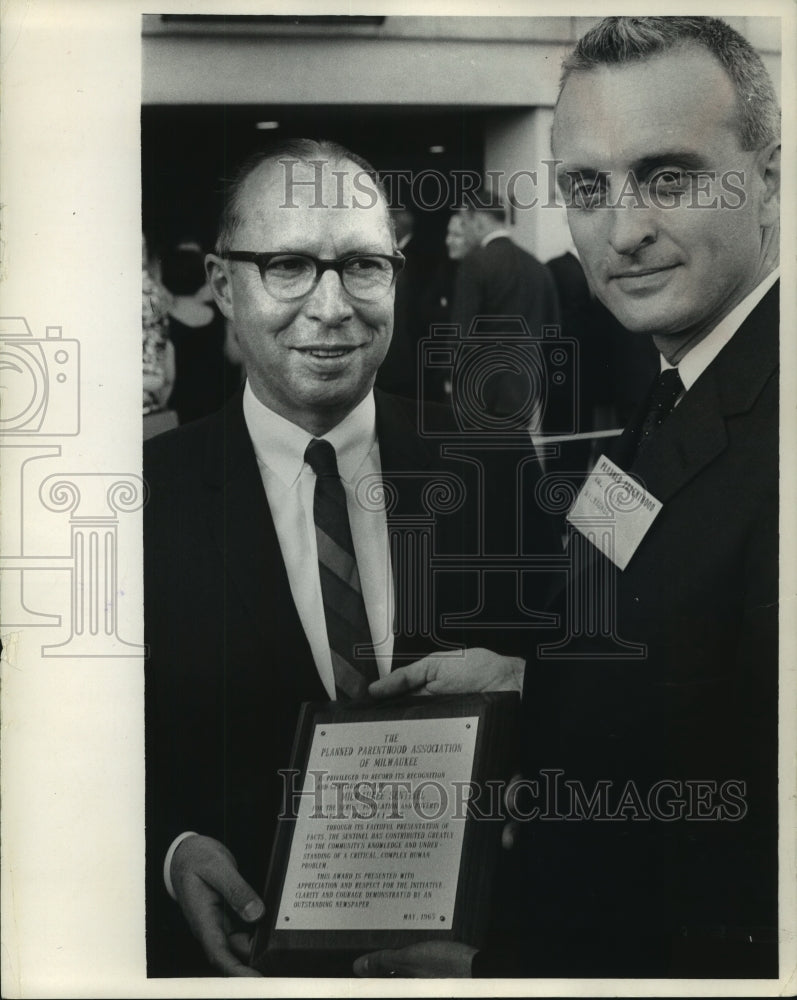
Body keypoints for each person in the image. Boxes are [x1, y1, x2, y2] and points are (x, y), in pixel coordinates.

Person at [356, 15, 780, 978]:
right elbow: (690, 689)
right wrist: (523, 680)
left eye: (667, 176)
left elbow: (743, 870)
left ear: (768, 179)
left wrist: (504, 970)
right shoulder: (672, 386)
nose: (622, 231)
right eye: (587, 187)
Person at [144, 139, 554, 977]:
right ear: (224, 285)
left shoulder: (492, 465)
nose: (332, 306)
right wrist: (170, 850)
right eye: (288, 265)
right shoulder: (138, 498)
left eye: (364, 265)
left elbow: (572, 690)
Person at [449, 190, 561, 427]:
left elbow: (461, 334)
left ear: (478, 220)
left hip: (481, 391)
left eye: (464, 221)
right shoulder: (538, 267)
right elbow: (553, 329)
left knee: (482, 460)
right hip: (525, 389)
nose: (464, 229)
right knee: (511, 459)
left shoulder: (475, 263)